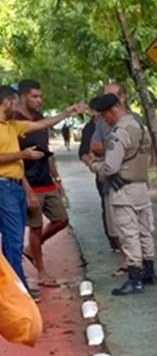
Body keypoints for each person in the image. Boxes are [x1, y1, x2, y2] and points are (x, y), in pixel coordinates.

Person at [0, 85, 84, 297]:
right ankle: (19, 291)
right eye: (15, 101)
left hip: (15, 186)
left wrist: (66, 113)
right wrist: (22, 155)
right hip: (4, 187)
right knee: (13, 240)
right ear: (7, 102)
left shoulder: (12, 125)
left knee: (15, 240)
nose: (16, 105)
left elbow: (41, 124)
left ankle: (17, 288)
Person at [82, 93, 157, 296]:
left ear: (113, 110)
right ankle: (149, 272)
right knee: (145, 231)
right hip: (141, 186)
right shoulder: (139, 126)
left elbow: (110, 167)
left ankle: (135, 279)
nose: (104, 120)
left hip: (123, 190)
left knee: (129, 234)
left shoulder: (119, 132)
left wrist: (94, 165)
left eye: (104, 116)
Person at [14, 80, 70, 288]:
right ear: (22, 97)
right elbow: (16, 161)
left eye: (40, 96)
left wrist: (56, 178)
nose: (39, 100)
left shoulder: (40, 120)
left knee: (61, 219)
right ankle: (41, 272)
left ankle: (31, 250)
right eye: (34, 96)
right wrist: (26, 190)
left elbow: (47, 151)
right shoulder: (14, 122)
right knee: (35, 228)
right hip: (28, 182)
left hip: (46, 180)